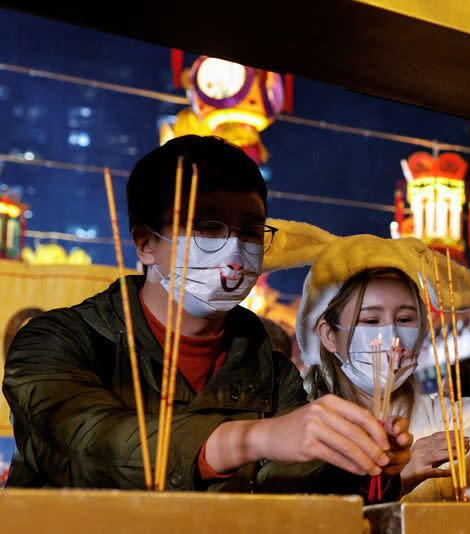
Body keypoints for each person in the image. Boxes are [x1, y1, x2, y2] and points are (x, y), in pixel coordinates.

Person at [2, 135, 411, 494]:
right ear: (145, 244)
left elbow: (288, 485)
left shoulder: (269, 371)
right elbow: (90, 445)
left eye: (249, 231)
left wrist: (363, 466)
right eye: (208, 228)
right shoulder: (55, 341)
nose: (234, 253)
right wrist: (249, 439)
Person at [263, 220, 470, 502]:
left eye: (406, 319)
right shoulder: (291, 426)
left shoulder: (455, 421)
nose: (392, 339)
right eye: (371, 320)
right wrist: (394, 482)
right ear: (328, 334)